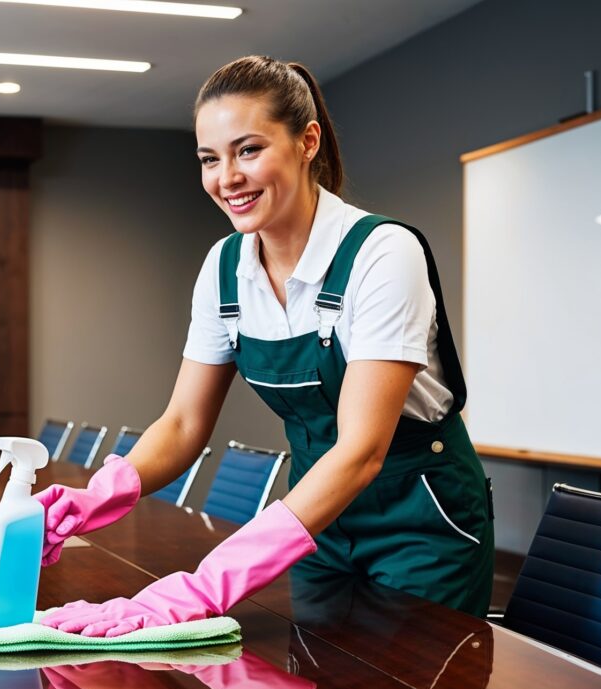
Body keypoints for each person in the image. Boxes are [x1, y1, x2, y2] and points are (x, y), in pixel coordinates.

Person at [37, 55, 494, 637]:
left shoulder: (382, 253)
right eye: (209, 158)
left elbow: (360, 451)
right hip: (316, 522)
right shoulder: (224, 268)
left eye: (248, 150)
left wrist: (205, 586)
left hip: (421, 520)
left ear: (307, 142)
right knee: (321, 685)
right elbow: (181, 425)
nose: (226, 177)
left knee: (404, 688)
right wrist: (99, 495)